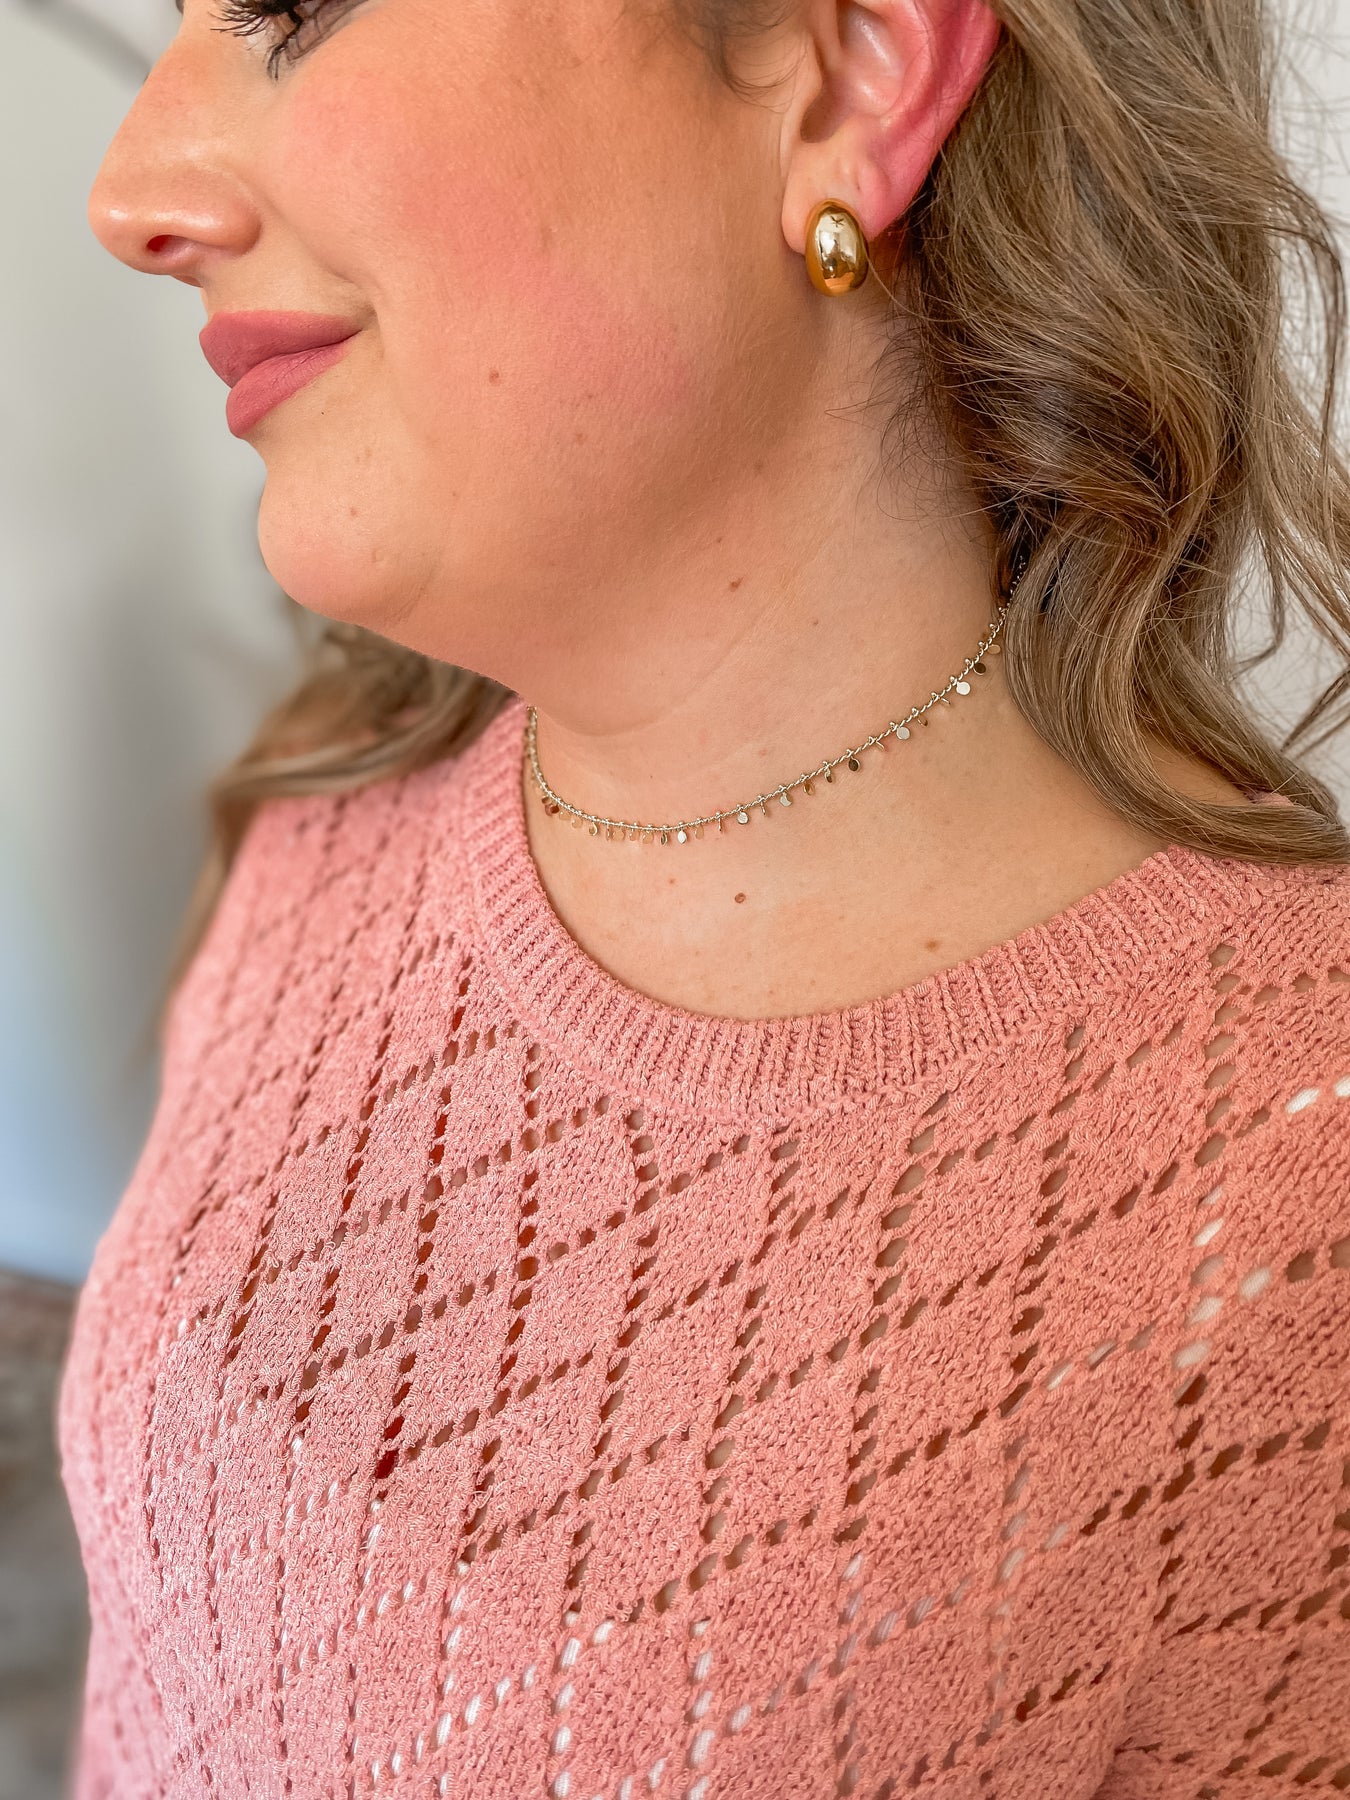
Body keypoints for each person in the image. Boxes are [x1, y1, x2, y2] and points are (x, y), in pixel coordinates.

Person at [56, 0, 1350, 1793]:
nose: (130, 193)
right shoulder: (341, 809)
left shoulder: (1290, 1189)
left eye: (294, 8)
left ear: (855, 72)